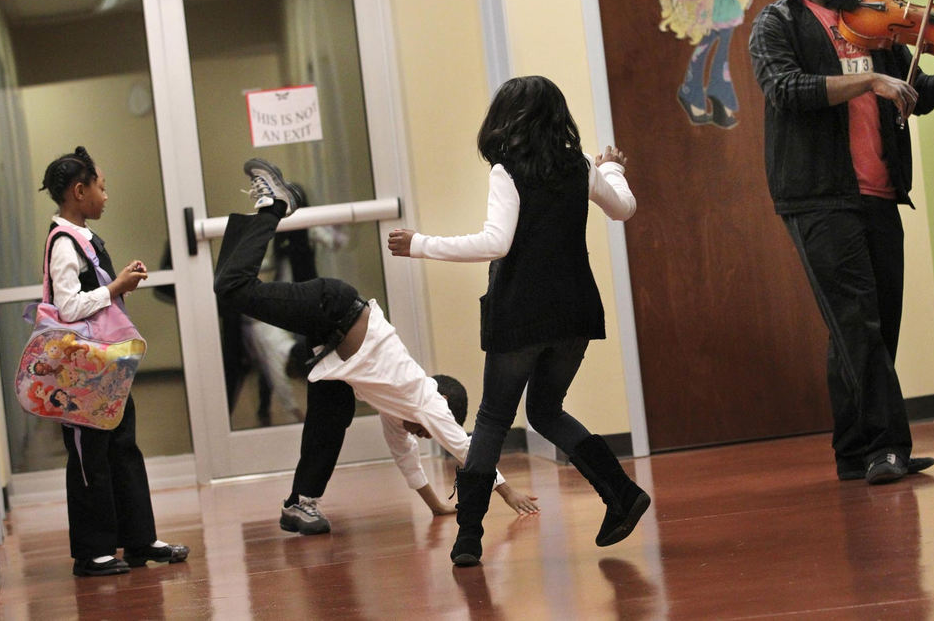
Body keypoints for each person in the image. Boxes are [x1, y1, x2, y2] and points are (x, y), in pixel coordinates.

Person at [388, 75, 649, 567]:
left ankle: (468, 537)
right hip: (574, 311)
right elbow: (625, 209)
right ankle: (621, 493)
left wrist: (422, 244)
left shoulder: (507, 171)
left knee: (492, 418)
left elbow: (496, 243)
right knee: (546, 410)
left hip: (521, 313)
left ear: (508, 120)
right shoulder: (578, 167)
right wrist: (611, 169)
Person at [748, 0, 934, 484]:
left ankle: (852, 450)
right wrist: (869, 81)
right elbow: (786, 89)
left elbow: (915, 93)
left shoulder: (875, 25)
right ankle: (887, 448)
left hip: (878, 191)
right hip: (817, 195)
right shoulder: (778, 23)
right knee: (857, 323)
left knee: (873, 325)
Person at [213, 159, 541, 529]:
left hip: (331, 344)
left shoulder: (394, 407)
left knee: (334, 409)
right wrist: (507, 490)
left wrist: (436, 506)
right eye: (423, 430)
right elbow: (465, 448)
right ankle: (274, 205)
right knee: (232, 288)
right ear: (442, 404)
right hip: (332, 310)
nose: (416, 434)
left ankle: (301, 503)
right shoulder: (422, 397)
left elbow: (408, 461)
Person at [39, 146, 189, 576]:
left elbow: (90, 295)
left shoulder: (83, 238)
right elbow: (67, 307)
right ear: (78, 191)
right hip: (82, 375)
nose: (106, 196)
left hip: (106, 370)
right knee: (91, 457)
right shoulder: (63, 242)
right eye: (101, 188)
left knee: (123, 447)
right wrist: (115, 287)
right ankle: (93, 552)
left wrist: (117, 283)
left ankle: (139, 539)